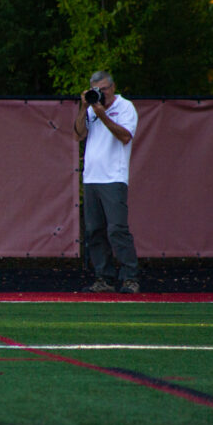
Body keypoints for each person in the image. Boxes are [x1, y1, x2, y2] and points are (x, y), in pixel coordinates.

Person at [73, 71, 140, 294]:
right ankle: (104, 277)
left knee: (117, 229)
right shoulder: (92, 109)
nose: (100, 94)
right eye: (96, 90)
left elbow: (124, 136)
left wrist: (102, 114)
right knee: (94, 230)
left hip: (113, 177)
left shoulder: (125, 107)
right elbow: (78, 135)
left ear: (113, 87)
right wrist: (84, 108)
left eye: (104, 89)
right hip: (92, 177)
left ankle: (130, 278)